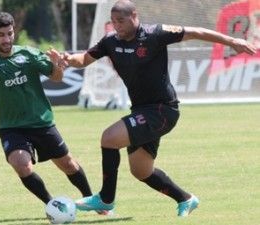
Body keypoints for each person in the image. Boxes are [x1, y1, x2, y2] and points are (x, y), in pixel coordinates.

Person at [48, 0, 257, 217]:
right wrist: (66, 59)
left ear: (134, 16)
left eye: (121, 20)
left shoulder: (154, 34)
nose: (116, 25)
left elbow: (195, 32)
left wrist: (231, 41)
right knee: (141, 170)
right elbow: (83, 59)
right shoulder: (110, 42)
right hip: (140, 111)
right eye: (113, 21)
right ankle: (186, 198)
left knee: (108, 138)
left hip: (162, 110)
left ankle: (105, 199)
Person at [0, 12, 96, 212]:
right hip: (11, 127)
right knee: (21, 164)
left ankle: (92, 199)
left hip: (41, 122)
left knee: (67, 164)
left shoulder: (29, 54)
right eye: (1, 35)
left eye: (9, 33)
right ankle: (53, 205)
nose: (7, 39)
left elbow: (56, 77)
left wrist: (58, 66)